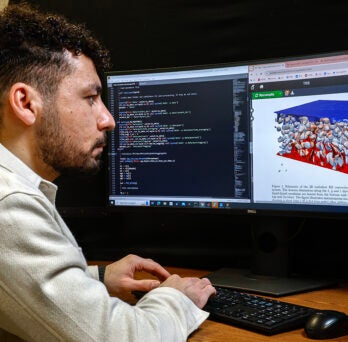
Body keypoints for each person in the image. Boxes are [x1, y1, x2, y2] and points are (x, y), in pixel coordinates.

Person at [0, 3, 216, 341]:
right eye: (90, 97)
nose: (108, 119)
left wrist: (97, 277)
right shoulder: (9, 205)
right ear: (26, 103)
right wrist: (176, 298)